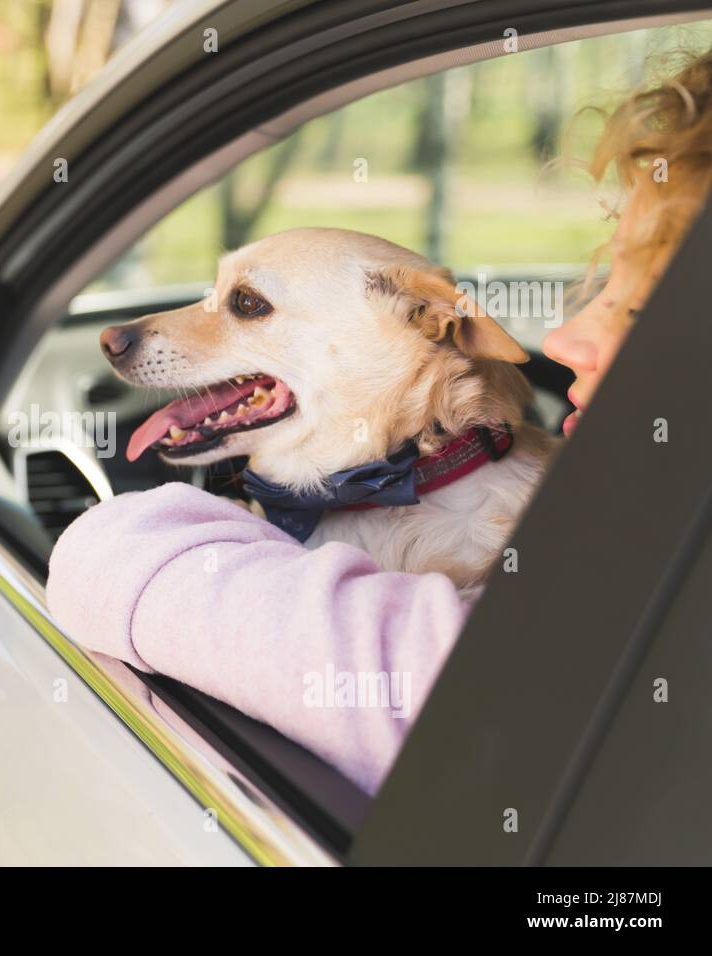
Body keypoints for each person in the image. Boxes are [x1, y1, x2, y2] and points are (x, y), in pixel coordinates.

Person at [45, 48, 712, 795]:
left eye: (249, 306)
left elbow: (100, 565)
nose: (562, 340)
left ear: (426, 319)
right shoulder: (626, 512)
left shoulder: (568, 570)